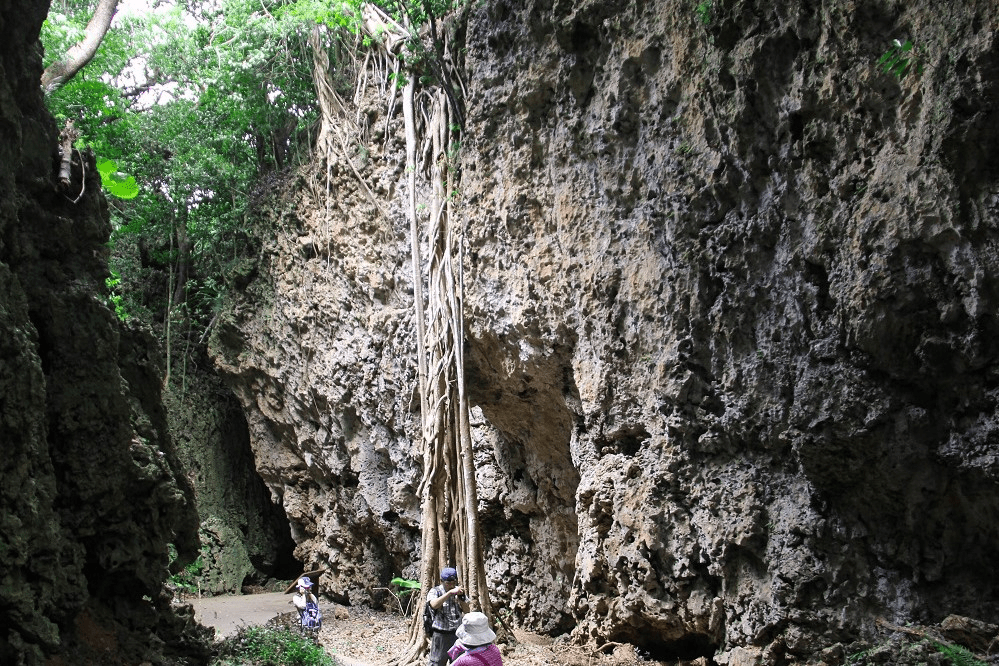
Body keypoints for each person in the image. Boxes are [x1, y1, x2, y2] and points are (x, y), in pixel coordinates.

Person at [427, 567, 469, 666]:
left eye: (453, 582)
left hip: (457, 634)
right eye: (448, 583)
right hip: (441, 634)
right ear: (442, 581)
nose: (451, 585)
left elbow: (467, 610)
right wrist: (449, 593)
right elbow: (434, 605)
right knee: (436, 662)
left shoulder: (458, 591)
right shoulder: (435, 591)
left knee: (459, 662)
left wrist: (461, 598)